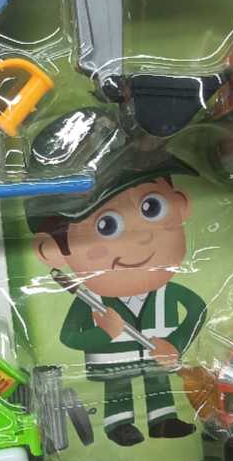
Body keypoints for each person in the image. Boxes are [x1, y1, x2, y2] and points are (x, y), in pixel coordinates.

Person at [28, 158, 206, 446]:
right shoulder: (91, 300)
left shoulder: (167, 292)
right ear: (53, 251)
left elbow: (198, 310)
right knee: (118, 386)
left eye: (151, 207)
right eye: (106, 225)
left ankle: (163, 420)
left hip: (157, 357)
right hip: (114, 364)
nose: (141, 237)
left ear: (181, 205)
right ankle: (118, 424)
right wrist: (104, 333)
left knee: (158, 383)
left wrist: (176, 344)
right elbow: (69, 336)